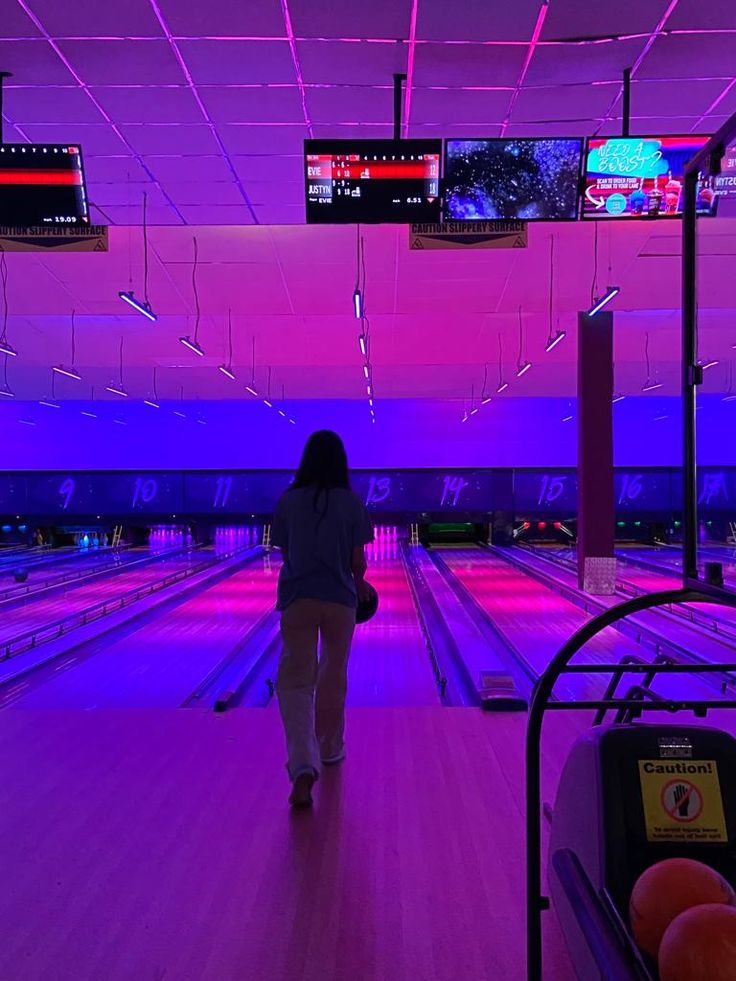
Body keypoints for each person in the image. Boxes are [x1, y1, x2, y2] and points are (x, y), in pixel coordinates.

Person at [272, 431, 373, 808]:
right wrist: (358, 582)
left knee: (296, 683)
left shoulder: (289, 501)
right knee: (333, 674)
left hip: (297, 599)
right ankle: (330, 749)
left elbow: (285, 552)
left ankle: (303, 765)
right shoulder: (350, 502)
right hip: (340, 602)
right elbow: (357, 562)